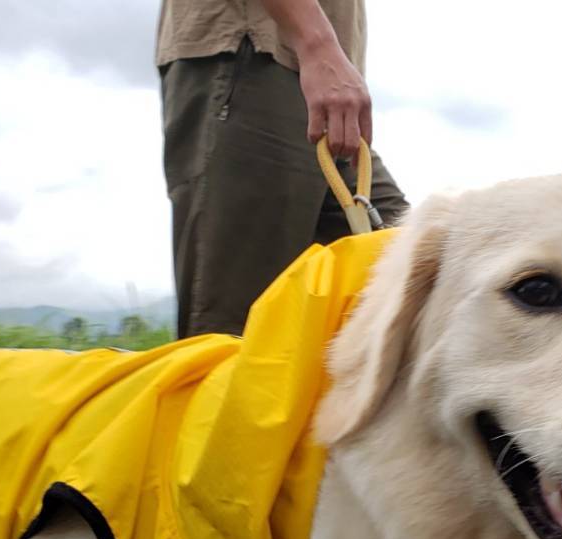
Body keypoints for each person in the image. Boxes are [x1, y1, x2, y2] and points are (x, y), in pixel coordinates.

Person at [157, 0, 408, 338]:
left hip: (319, 87)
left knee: (410, 283)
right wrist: (317, 45)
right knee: (235, 337)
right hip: (256, 55)